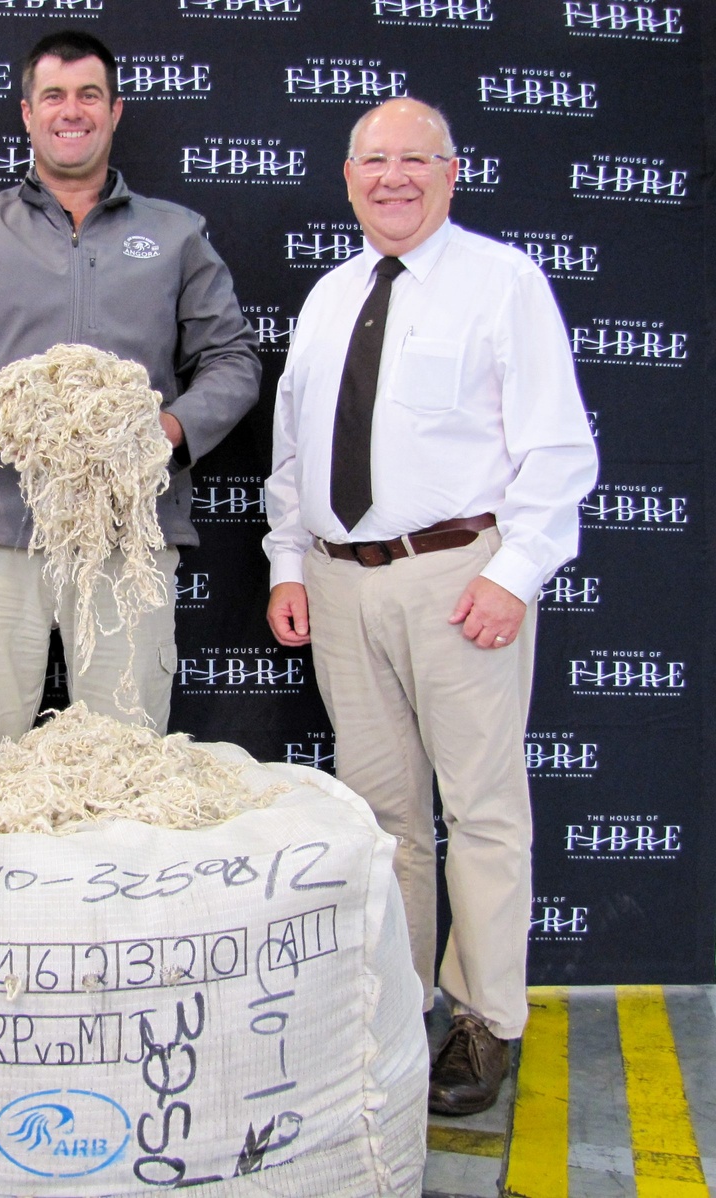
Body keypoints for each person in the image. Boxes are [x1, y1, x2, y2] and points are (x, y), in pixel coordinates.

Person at [264, 98, 597, 1115]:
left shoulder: (502, 282)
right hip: (337, 577)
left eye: (416, 159)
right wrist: (286, 558)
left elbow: (555, 446)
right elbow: (293, 449)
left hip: (457, 575)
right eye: (375, 161)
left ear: (451, 173)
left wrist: (515, 570)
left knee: (483, 811)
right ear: (347, 175)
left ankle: (485, 1020)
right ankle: (394, 1005)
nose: (394, 177)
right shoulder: (327, 296)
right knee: (382, 818)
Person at [0, 30, 260, 774]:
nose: (71, 110)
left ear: (115, 111)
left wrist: (170, 430)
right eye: (53, 95)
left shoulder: (176, 235)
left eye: (89, 94)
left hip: (128, 536)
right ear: (26, 113)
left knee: (125, 771)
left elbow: (234, 360)